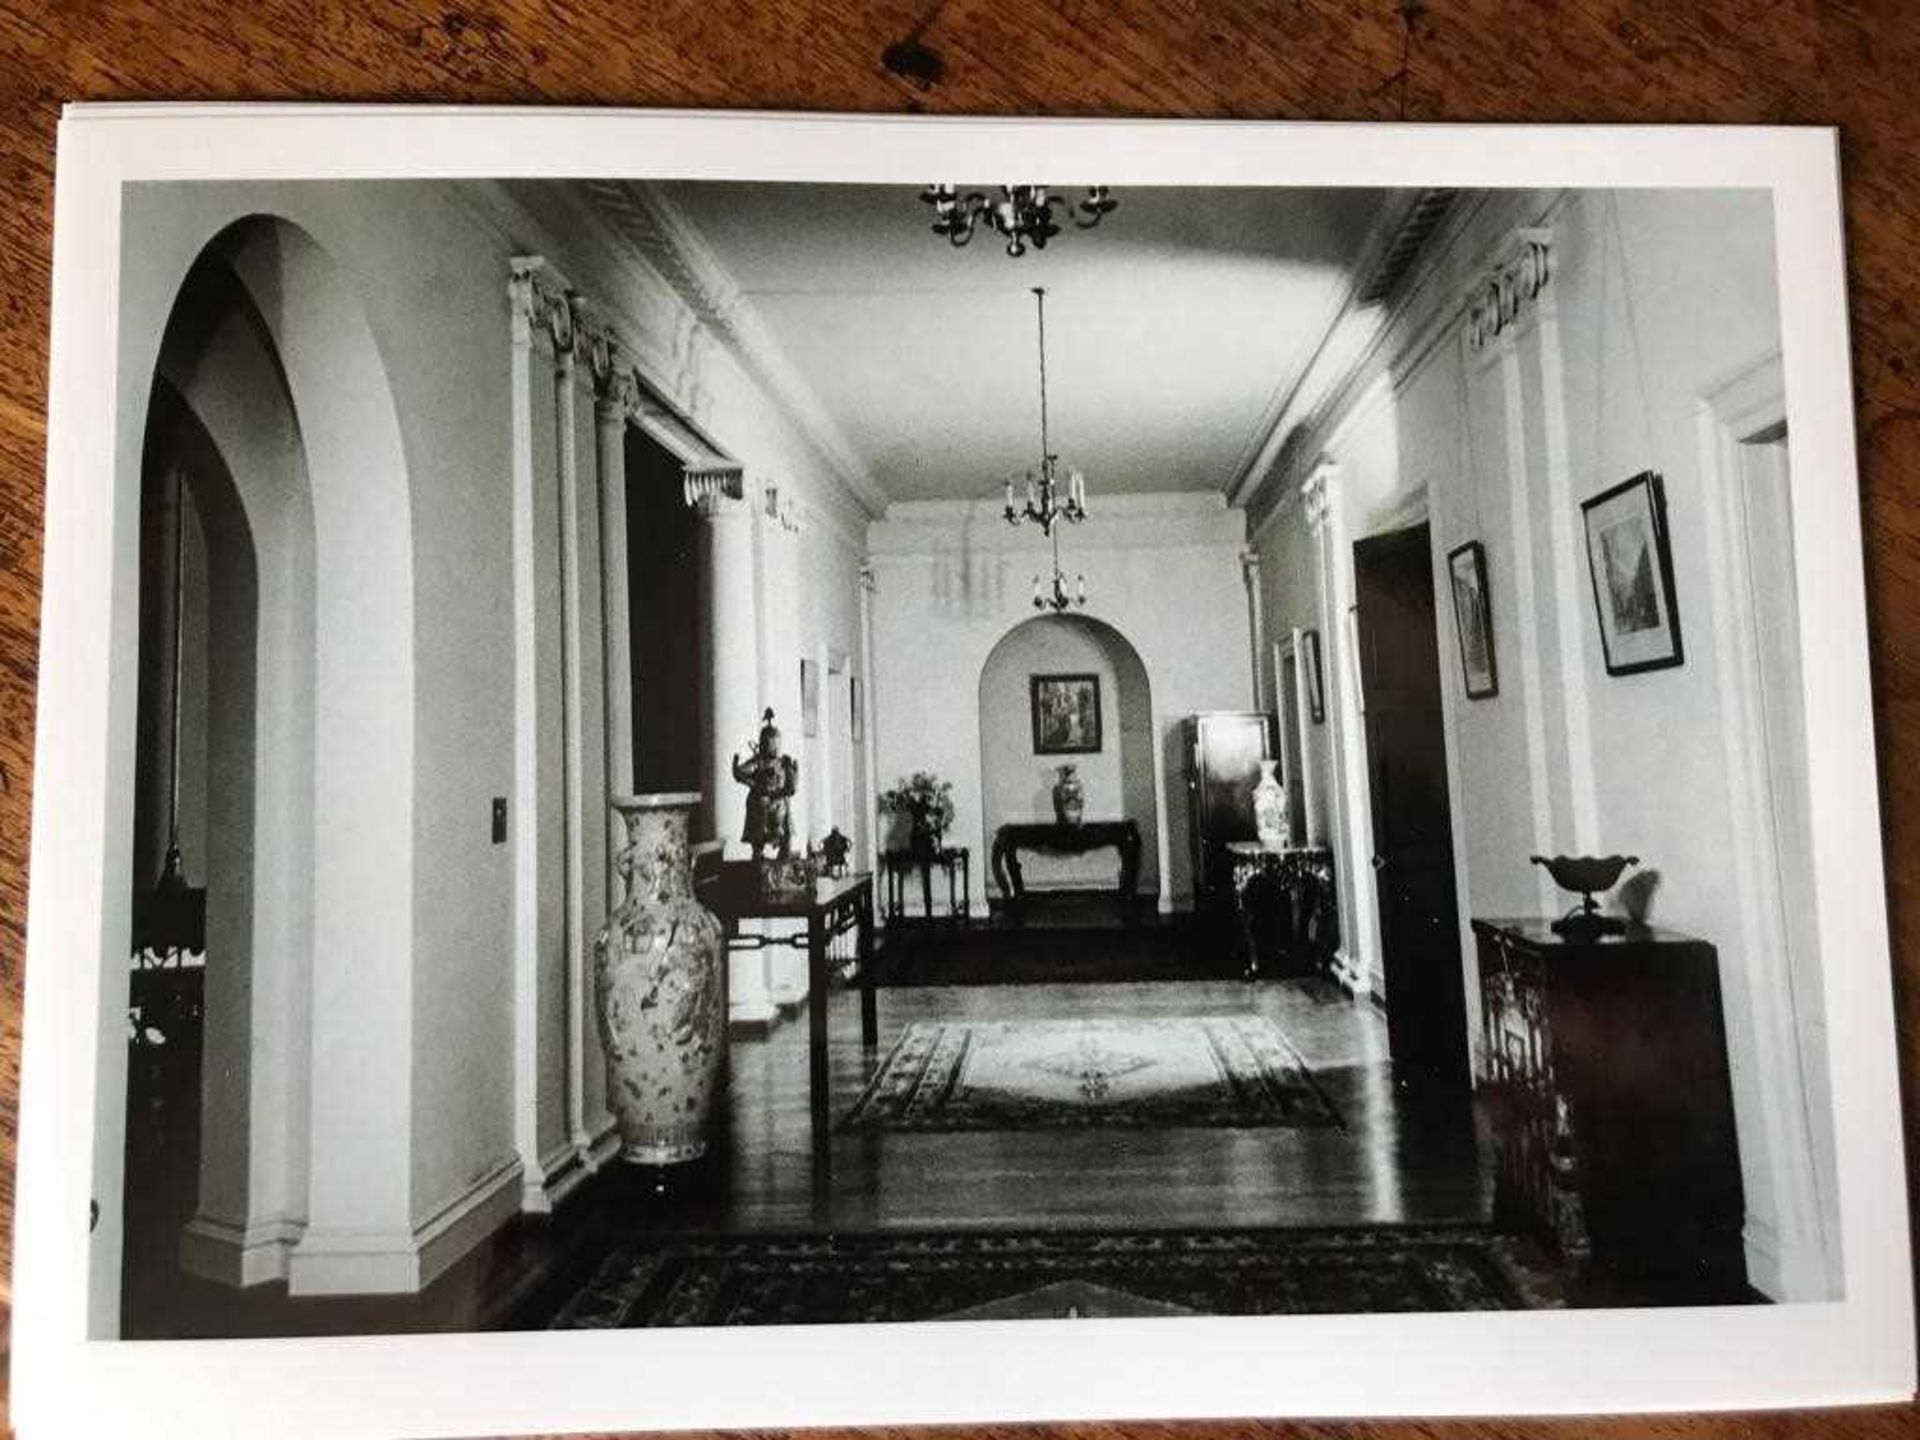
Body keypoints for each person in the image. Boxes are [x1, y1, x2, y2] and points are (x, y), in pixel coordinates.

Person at [732, 708, 798, 860]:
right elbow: (741, 773)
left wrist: (792, 772)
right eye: (769, 742)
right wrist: (737, 765)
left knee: (784, 816)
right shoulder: (758, 761)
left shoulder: (783, 762)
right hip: (761, 799)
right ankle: (758, 850)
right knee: (759, 808)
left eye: (775, 742)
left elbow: (792, 785)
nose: (772, 746)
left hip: (779, 799)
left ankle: (784, 849)